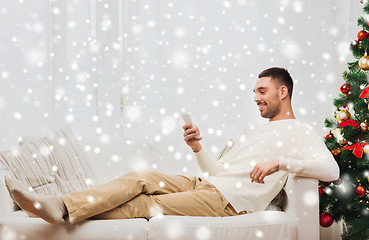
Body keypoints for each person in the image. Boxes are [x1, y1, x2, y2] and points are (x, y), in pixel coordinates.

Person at [4, 67, 340, 224]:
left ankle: (59, 210)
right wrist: (197, 148)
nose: (256, 98)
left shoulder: (300, 131)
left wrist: (280, 163)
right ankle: (60, 206)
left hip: (228, 203)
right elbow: (218, 172)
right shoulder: (254, 131)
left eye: (262, 91)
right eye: (254, 92)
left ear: (283, 92)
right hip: (207, 185)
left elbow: (331, 170)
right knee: (140, 177)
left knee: (147, 204)